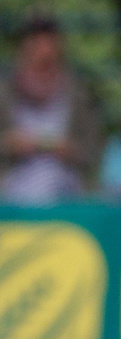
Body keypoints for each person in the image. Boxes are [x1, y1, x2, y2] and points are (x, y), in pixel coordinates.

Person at [1, 14, 102, 203]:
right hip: (11, 189)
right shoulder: (5, 92)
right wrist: (10, 144)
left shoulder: (79, 94)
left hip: (66, 189)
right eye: (37, 42)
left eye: (49, 42)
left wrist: (71, 150)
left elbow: (94, 150)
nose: (44, 50)